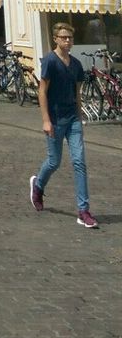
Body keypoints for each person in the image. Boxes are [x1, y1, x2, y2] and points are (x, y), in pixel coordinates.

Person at [30, 22, 98, 228]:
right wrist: (46, 120)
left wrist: (79, 118)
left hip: (73, 120)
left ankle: (83, 211)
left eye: (70, 38)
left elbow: (77, 93)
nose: (67, 41)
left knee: (79, 162)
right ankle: (38, 186)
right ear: (55, 39)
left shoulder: (76, 65)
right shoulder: (50, 61)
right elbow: (42, 91)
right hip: (55, 119)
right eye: (64, 37)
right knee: (54, 161)